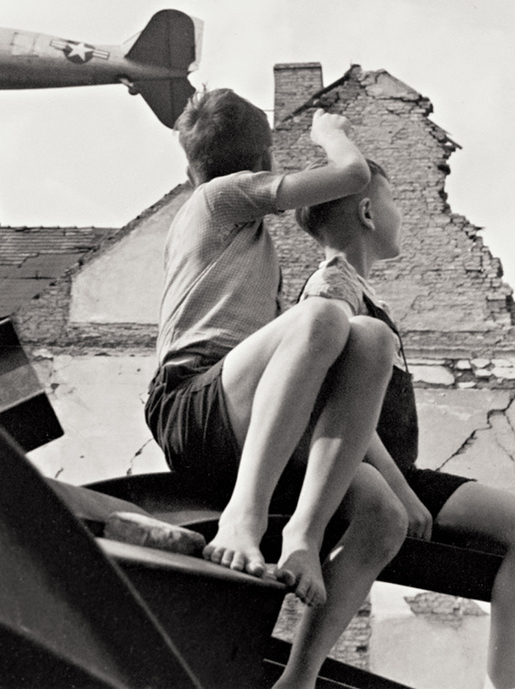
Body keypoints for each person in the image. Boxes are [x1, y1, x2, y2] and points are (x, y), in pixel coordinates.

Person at [145, 88, 408, 659]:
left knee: (383, 511)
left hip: (240, 415)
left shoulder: (247, 250)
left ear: (187, 166)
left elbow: (334, 403)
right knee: (321, 319)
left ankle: (300, 645)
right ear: (264, 162)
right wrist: (328, 132)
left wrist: (399, 484)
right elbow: (352, 174)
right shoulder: (219, 198)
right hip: (190, 401)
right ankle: (244, 516)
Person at [296, 160, 515, 689]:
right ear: (368, 212)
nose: (402, 215)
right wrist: (398, 488)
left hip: (403, 472)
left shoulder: (362, 292)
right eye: (394, 202)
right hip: (383, 474)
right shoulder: (332, 289)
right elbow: (335, 405)